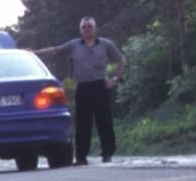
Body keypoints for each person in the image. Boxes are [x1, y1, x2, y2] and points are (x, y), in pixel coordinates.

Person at [33, 17, 127, 164]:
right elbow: (55, 50)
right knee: (83, 123)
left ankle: (107, 153)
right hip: (83, 87)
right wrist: (34, 52)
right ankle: (81, 156)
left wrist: (114, 79)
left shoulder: (106, 44)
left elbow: (121, 60)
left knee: (105, 122)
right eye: (84, 27)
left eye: (89, 26)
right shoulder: (74, 45)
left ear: (95, 28)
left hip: (101, 86)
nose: (87, 29)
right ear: (80, 29)